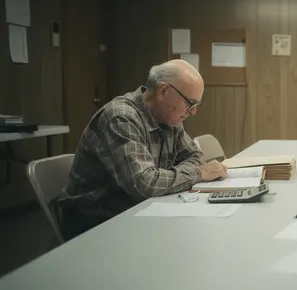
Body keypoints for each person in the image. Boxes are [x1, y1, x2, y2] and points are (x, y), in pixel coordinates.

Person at [57, 59, 227, 239]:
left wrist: (166, 176)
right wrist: (199, 174)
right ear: (163, 91)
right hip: (94, 224)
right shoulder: (121, 117)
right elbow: (145, 183)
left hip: (137, 211)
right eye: (190, 103)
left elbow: (194, 156)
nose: (193, 112)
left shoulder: (169, 118)